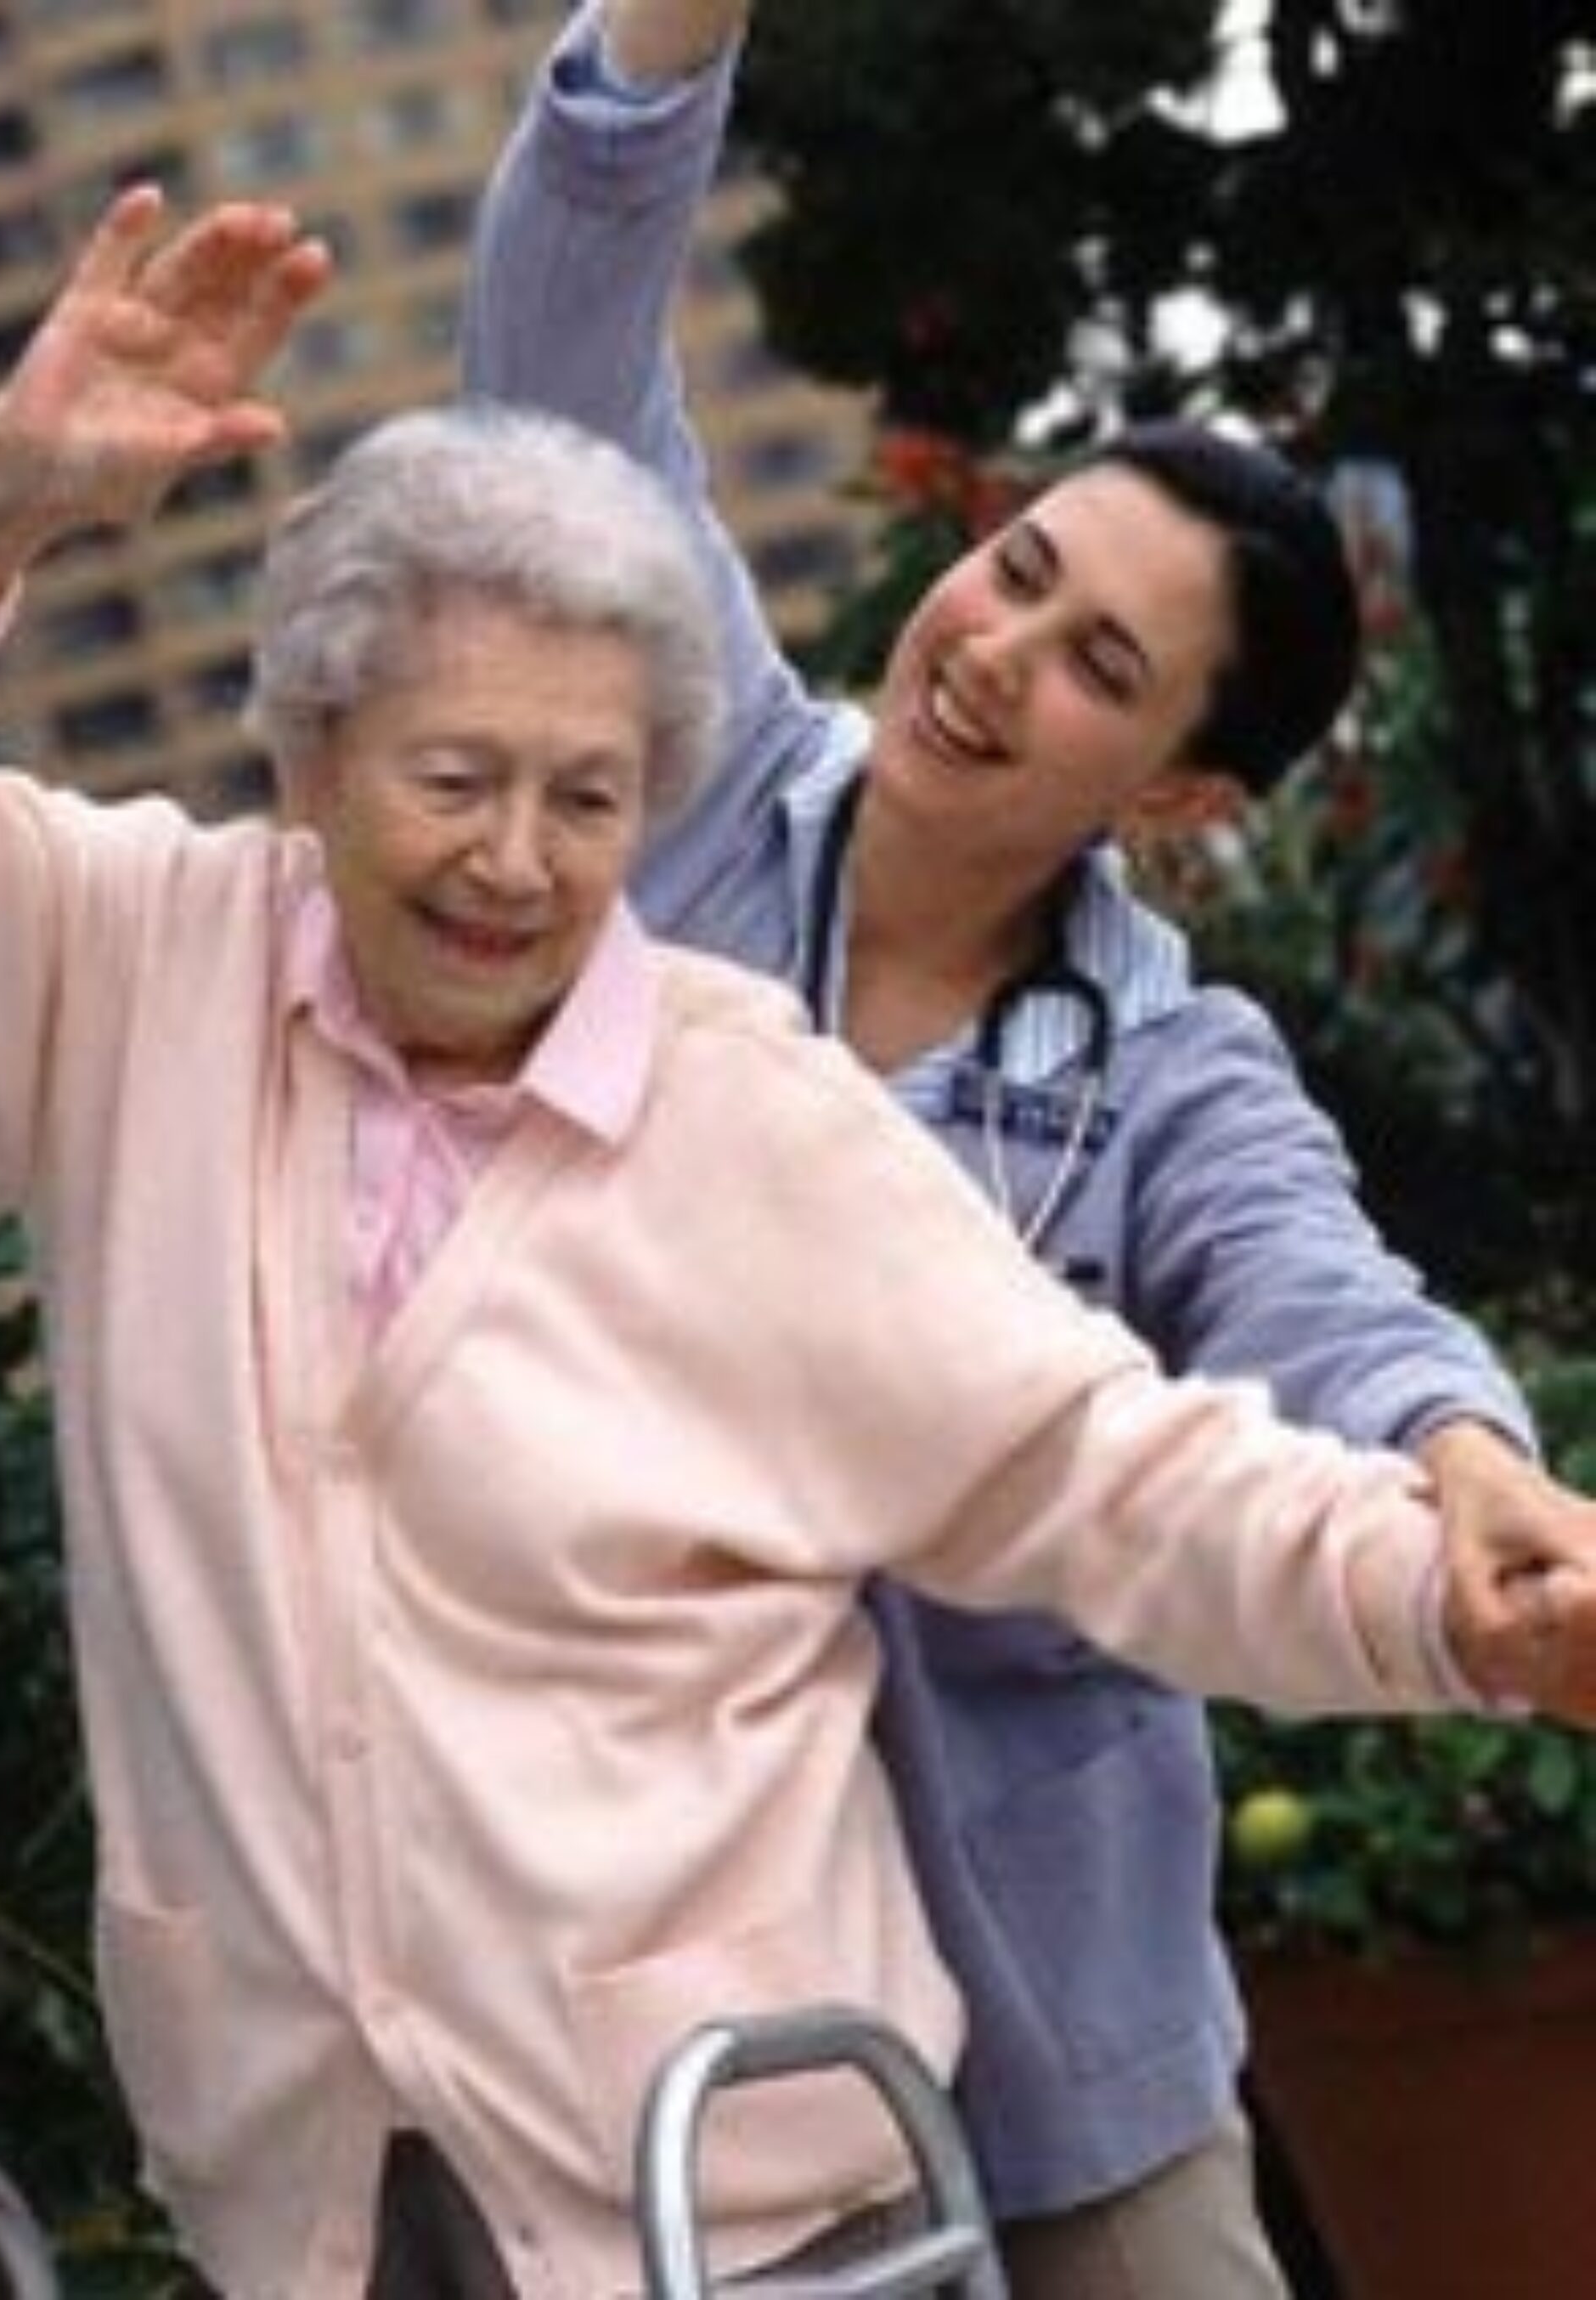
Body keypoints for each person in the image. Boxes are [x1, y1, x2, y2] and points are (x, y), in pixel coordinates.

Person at [0, 188, 1596, 2300]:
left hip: (746, 2168)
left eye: (588, 799)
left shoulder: (765, 1104)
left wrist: (1452, 1589)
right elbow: (571, 302)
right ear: (312, 747)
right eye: (453, 777)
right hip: (309, 2191)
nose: (515, 861)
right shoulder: (127, 969)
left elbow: (1115, 1459)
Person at [459, 7, 1596, 2293]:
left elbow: (1311, 1285)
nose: (993, 646)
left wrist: (1465, 1452)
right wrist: (668, 46)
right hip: (665, 2011)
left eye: (1100, 664)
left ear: (1177, 794)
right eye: (1020, 564)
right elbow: (561, 388)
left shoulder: (1170, 1071)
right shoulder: (689, 791)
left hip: (1057, 2031)